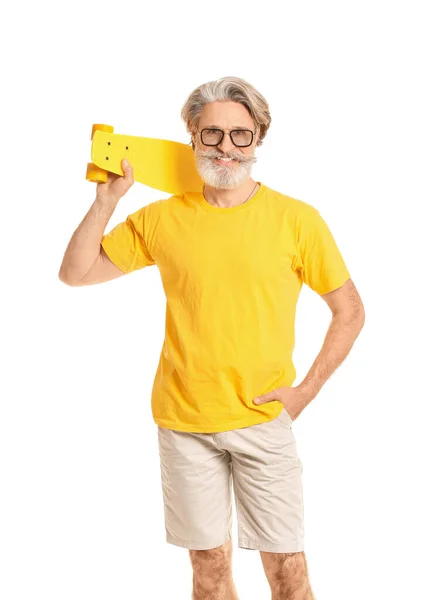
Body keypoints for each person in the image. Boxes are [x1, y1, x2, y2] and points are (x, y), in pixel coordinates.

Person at [59, 76, 365, 600]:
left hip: (263, 420)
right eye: (213, 133)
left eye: (241, 134)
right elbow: (76, 273)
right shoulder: (161, 218)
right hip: (184, 423)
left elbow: (350, 311)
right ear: (192, 136)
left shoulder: (297, 220)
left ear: (259, 138)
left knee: (288, 571)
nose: (227, 146)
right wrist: (107, 200)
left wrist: (305, 392)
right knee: (207, 569)